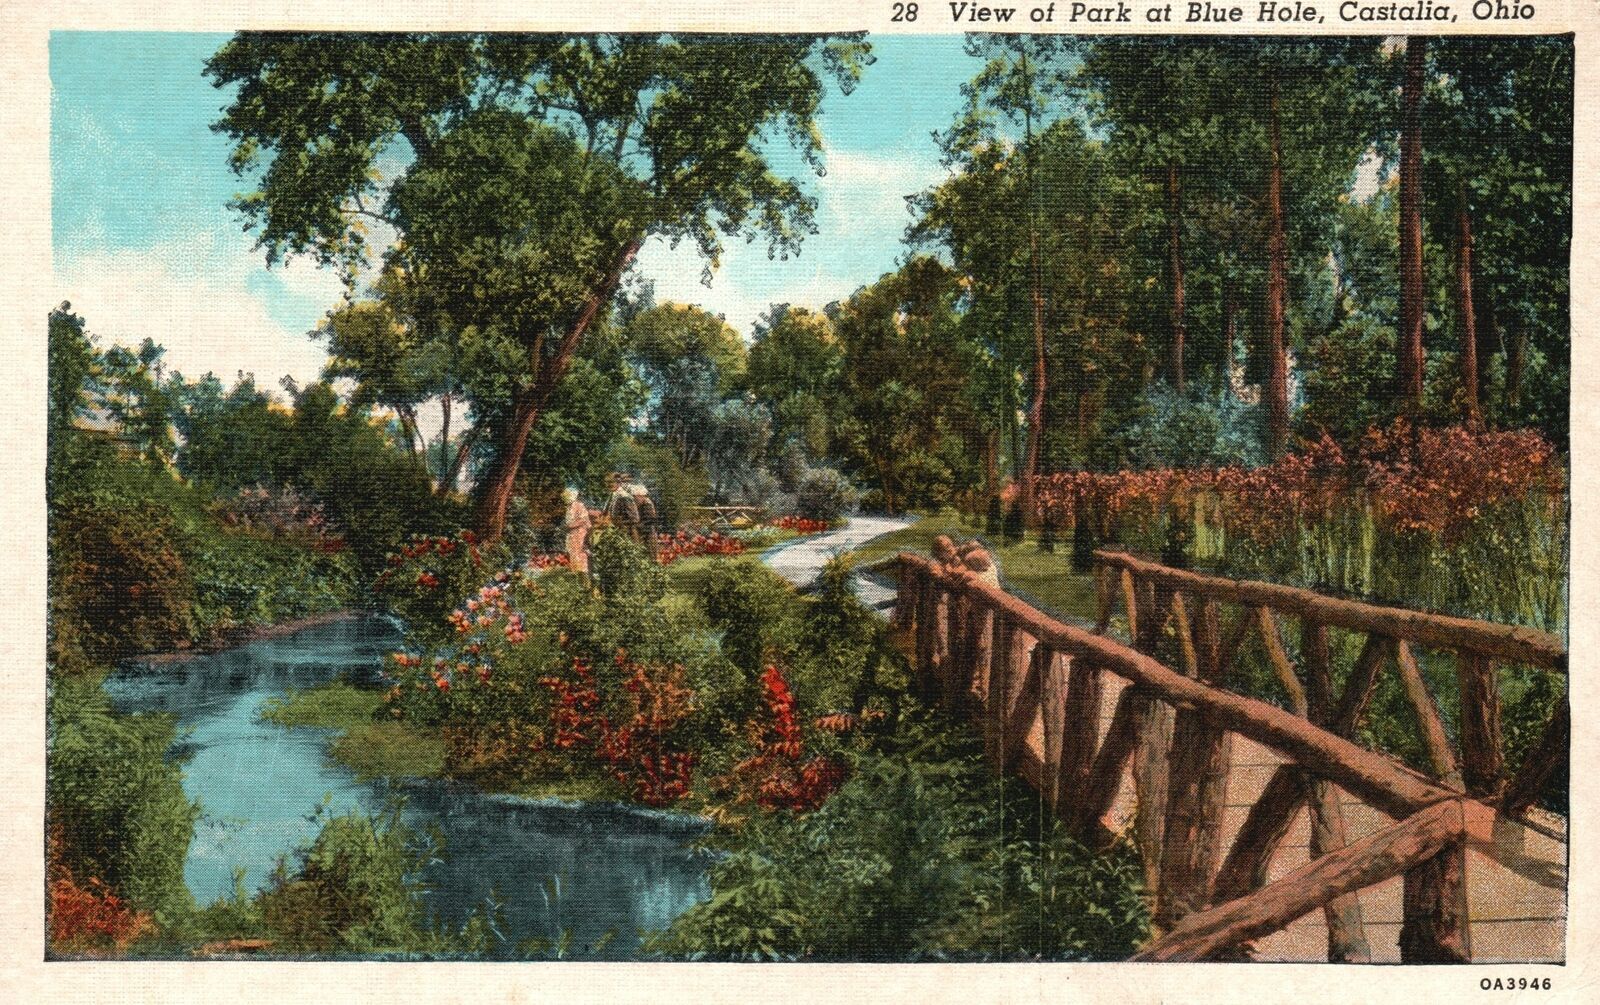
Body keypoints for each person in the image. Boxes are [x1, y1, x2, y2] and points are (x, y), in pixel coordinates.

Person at [561, 487, 592, 576]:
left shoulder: (579, 505)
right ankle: (575, 570)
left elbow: (584, 519)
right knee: (572, 551)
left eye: (567, 497)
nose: (565, 499)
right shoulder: (569, 507)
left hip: (580, 531)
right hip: (572, 533)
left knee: (580, 551)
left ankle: (582, 571)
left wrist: (571, 525)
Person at [606, 472, 641, 543]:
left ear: (618, 483)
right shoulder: (613, 495)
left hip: (626, 534)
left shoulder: (624, 496)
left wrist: (621, 523)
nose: (608, 485)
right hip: (616, 532)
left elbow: (635, 519)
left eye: (611, 482)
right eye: (607, 482)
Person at [631, 482, 659, 558]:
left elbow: (650, 519)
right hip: (641, 528)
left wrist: (638, 525)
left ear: (641, 496)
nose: (635, 498)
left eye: (636, 496)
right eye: (634, 496)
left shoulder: (647, 503)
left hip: (648, 529)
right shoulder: (635, 503)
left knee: (651, 550)